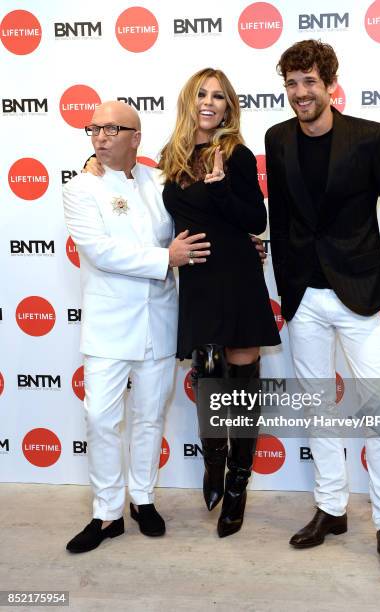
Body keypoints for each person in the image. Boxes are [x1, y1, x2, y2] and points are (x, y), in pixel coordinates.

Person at [265, 40, 380, 559]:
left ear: (330, 85)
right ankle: (330, 508)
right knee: (317, 409)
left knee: (378, 408)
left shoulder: (369, 137)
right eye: (291, 83)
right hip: (304, 296)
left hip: (360, 292)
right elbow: (279, 222)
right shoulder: (277, 138)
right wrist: (287, 288)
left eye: (309, 82)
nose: (300, 93)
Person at [63, 100, 210, 553]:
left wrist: (240, 247)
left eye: (111, 129)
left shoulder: (159, 180)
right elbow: (100, 251)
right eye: (94, 129)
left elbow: (191, 228)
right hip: (109, 326)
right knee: (101, 418)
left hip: (160, 321)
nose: (100, 137)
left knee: (149, 417)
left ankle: (143, 500)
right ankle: (106, 513)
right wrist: (164, 259)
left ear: (136, 137)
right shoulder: (79, 188)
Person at [160, 67, 281, 537]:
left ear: (229, 108)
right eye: (202, 94)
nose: (210, 103)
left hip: (237, 276)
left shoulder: (237, 154)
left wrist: (220, 187)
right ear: (189, 101)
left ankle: (236, 486)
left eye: (220, 97)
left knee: (243, 383)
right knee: (208, 375)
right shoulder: (170, 158)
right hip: (198, 282)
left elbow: (255, 217)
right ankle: (214, 463)